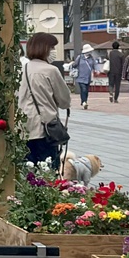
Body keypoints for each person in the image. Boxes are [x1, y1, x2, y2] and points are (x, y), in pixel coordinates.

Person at [18, 32, 75, 170]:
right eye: (52, 48)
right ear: (44, 48)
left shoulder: (22, 69)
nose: (54, 51)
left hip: (23, 128)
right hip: (45, 129)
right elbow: (64, 101)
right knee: (47, 171)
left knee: (27, 170)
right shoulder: (51, 70)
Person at [73, 44, 97, 109]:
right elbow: (75, 64)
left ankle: (84, 101)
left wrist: (97, 70)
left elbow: (94, 65)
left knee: (86, 90)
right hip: (80, 76)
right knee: (83, 89)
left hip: (88, 77)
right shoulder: (80, 57)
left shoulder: (91, 58)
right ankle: (84, 102)